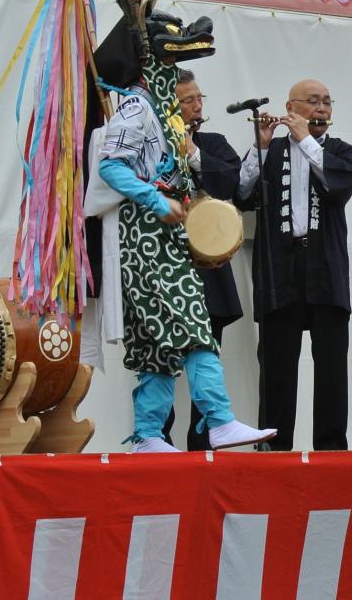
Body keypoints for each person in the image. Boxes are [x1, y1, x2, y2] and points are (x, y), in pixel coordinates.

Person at [96, 12, 275, 454]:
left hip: (159, 236)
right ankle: (219, 421)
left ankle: (149, 435)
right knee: (195, 327)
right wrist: (158, 202)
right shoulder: (138, 108)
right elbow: (109, 166)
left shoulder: (157, 108)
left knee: (158, 345)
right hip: (146, 237)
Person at [238, 79, 352, 451]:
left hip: (325, 265)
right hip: (280, 266)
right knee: (276, 363)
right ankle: (274, 447)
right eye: (313, 102)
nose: (322, 109)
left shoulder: (343, 152)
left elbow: (341, 187)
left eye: (327, 102)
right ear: (291, 107)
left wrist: (306, 140)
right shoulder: (272, 151)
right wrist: (260, 145)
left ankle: (330, 452)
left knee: (330, 365)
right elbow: (242, 194)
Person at [157, 68, 245, 451]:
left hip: (207, 277)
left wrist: (192, 152)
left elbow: (229, 185)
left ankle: (203, 447)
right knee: (159, 365)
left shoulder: (213, 143)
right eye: (186, 100)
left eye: (198, 98)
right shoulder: (151, 145)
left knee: (204, 366)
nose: (196, 106)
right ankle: (156, 442)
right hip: (160, 272)